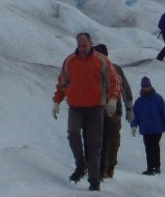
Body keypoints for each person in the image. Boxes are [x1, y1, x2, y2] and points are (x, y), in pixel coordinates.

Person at [52, 32, 122, 191]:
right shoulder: (70, 61)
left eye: (85, 45)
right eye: (79, 45)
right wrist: (57, 101)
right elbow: (63, 82)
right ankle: (81, 164)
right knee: (73, 134)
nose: (82, 49)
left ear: (91, 44)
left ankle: (94, 181)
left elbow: (115, 80)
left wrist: (113, 99)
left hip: (96, 108)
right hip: (76, 107)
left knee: (94, 145)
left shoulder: (101, 61)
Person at [92, 43, 133, 179]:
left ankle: (109, 168)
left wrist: (129, 107)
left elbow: (125, 88)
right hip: (97, 110)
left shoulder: (116, 69)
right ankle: (99, 168)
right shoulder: (92, 70)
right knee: (98, 140)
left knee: (113, 140)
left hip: (115, 111)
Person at [130, 76, 165, 176]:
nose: (146, 88)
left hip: (156, 128)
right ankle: (150, 168)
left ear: (150, 86)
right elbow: (135, 115)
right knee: (148, 148)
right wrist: (134, 125)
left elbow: (164, 111)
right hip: (145, 129)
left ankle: (156, 167)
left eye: (147, 86)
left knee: (154, 147)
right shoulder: (139, 101)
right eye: (144, 86)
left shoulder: (157, 98)